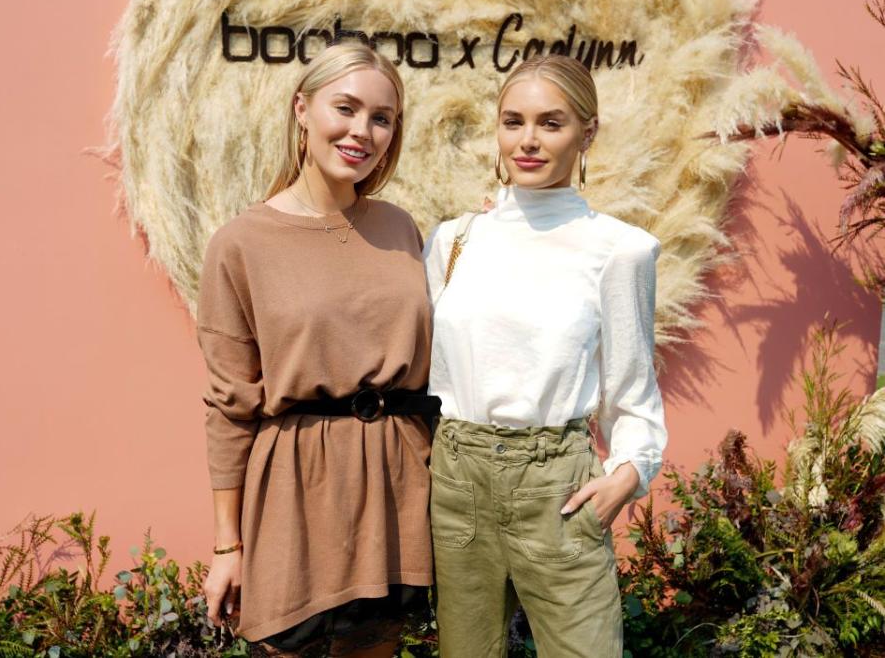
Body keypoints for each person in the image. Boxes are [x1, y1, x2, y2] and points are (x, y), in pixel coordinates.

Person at [197, 41, 439, 658]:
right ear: (302, 110)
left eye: (382, 118)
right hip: (297, 489)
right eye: (346, 108)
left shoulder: (400, 227)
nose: (363, 131)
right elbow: (230, 404)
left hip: (399, 481)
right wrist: (228, 545)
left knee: (378, 648)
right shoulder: (241, 243)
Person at [424, 54, 668, 657]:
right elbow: (436, 371)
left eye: (551, 123)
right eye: (513, 121)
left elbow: (632, 390)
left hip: (555, 485)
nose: (527, 141)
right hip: (459, 480)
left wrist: (629, 474)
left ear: (587, 133)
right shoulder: (453, 240)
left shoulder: (620, 250)